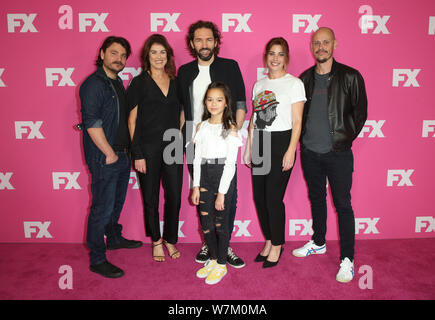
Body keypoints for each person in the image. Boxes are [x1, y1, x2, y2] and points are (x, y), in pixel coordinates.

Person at [292, 27, 368, 283]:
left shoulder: (351, 76)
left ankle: (347, 259)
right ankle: (318, 241)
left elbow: (360, 115)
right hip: (310, 152)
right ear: (312, 47)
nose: (321, 47)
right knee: (317, 199)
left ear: (335, 44)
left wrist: (343, 138)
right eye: (317, 43)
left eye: (326, 42)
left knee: (343, 205)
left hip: (338, 153)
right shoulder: (304, 79)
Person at [178, 20, 247, 268]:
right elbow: (182, 109)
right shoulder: (185, 71)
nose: (204, 44)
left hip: (223, 139)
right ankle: (210, 243)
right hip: (196, 140)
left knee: (227, 196)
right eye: (199, 39)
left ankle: (224, 246)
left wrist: (233, 132)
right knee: (202, 194)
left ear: (216, 42)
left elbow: (240, 103)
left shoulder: (230, 67)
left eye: (209, 39)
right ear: (192, 43)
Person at [79, 36, 142, 278]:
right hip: (106, 156)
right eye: (114, 53)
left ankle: (114, 238)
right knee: (101, 209)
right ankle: (97, 259)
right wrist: (108, 153)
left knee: (115, 203)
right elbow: (92, 123)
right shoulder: (94, 84)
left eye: (123, 55)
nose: (119, 59)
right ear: (103, 53)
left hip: (121, 154)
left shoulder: (117, 83)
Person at [243, 37, 306, 268]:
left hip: (282, 142)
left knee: (273, 198)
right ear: (266, 57)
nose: (275, 58)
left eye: (280, 54)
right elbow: (255, 119)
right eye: (271, 53)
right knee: (259, 197)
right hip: (259, 141)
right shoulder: (259, 85)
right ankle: (269, 240)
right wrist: (249, 147)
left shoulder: (295, 84)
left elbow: (298, 121)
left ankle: (278, 244)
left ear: (286, 58)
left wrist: (291, 150)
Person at [127, 34, 183, 262]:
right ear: (147, 56)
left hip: (173, 146)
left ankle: (170, 239)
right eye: (154, 52)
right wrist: (137, 153)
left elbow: (182, 111)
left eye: (162, 52)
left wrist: (179, 135)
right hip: (147, 148)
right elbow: (131, 121)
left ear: (168, 55)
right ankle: (157, 241)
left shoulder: (176, 81)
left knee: (175, 196)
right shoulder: (139, 83)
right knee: (150, 198)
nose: (159, 56)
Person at [191, 82, 243, 284]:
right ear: (205, 102)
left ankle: (222, 263)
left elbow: (231, 163)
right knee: (206, 225)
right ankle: (213, 259)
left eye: (219, 99)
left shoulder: (230, 128)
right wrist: (195, 186)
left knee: (221, 225)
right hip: (204, 176)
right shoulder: (201, 126)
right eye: (210, 99)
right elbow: (196, 159)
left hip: (223, 177)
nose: (214, 103)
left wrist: (222, 193)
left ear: (226, 103)